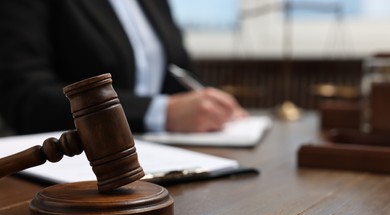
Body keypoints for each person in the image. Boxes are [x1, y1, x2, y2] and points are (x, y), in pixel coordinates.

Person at [0, 0, 247, 135]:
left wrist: (210, 103)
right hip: (72, 164)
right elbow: (25, 94)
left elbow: (180, 72)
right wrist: (159, 112)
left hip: (164, 154)